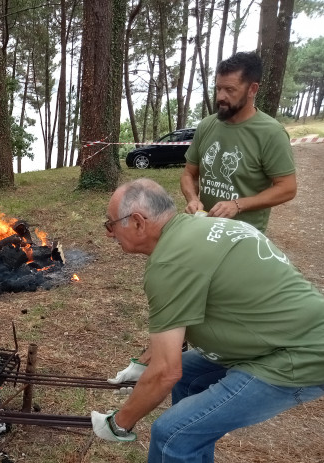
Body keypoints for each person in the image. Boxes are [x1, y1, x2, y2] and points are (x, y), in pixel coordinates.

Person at [92, 178, 324, 462]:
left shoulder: (169, 263)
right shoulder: (198, 228)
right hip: (291, 334)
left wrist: (118, 423)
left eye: (111, 224)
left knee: (173, 434)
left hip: (300, 355)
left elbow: (166, 372)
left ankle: (185, 444)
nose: (109, 234)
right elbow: (183, 319)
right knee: (188, 377)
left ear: (138, 222)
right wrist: (142, 364)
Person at [180, 51, 296, 233]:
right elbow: (189, 174)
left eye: (230, 90)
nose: (220, 97)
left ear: (252, 89)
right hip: (205, 229)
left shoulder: (271, 133)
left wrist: (238, 205)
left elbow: (287, 188)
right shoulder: (206, 125)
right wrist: (192, 198)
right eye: (218, 88)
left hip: (245, 235)